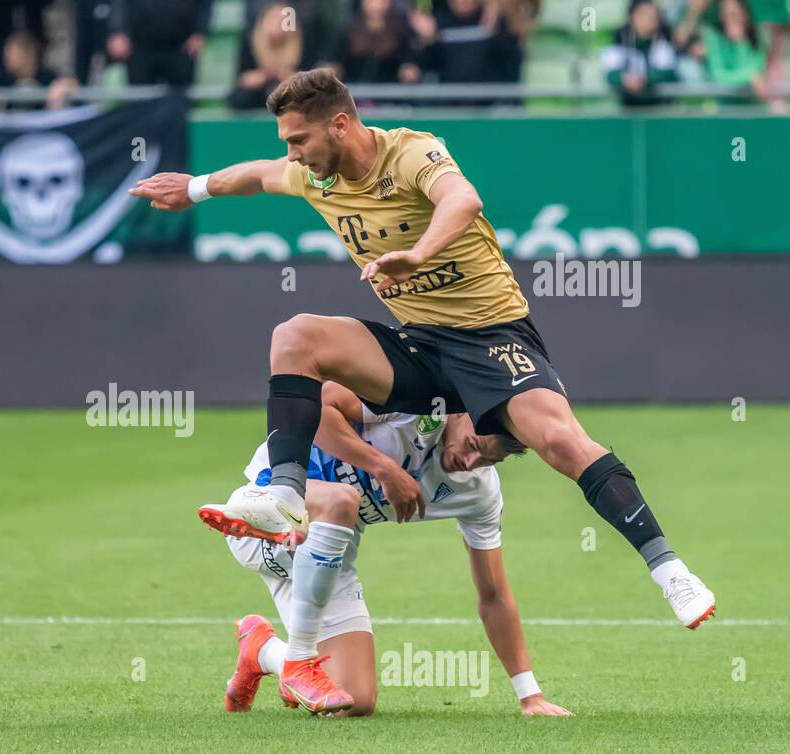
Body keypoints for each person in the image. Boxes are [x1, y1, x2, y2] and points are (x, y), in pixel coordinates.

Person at [131, 68, 715, 710]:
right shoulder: (312, 175)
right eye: (287, 142)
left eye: (298, 139)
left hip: (491, 336)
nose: (291, 154)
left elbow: (463, 200)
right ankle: (287, 497)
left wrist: (419, 253)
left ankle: (670, 570)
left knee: (558, 439)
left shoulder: (410, 150)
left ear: (341, 124)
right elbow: (254, 174)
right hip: (420, 349)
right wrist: (193, 188)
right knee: (295, 336)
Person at [218, 382, 571, 717]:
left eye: (487, 460)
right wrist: (382, 467)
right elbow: (319, 404)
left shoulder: (478, 492)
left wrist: (530, 695)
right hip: (269, 514)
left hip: (329, 555)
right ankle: (298, 658)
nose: (469, 462)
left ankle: (262, 650)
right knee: (343, 500)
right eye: (473, 445)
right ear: (462, 413)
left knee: (352, 701)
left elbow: (493, 594)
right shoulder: (413, 401)